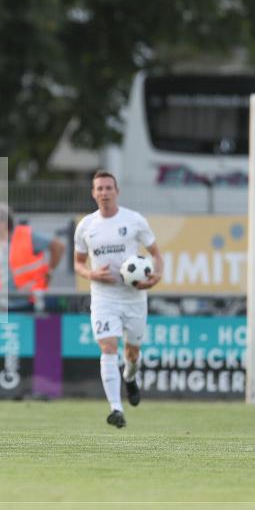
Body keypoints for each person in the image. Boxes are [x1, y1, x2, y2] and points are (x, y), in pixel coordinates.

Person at [73, 170, 163, 429]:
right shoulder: (86, 226)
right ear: (93, 194)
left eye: (108, 188)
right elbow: (78, 263)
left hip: (133, 299)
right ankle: (116, 408)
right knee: (108, 347)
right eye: (99, 189)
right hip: (104, 298)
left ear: (116, 191)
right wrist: (91, 274)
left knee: (132, 354)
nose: (104, 193)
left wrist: (155, 277)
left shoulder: (134, 221)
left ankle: (130, 378)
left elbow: (156, 254)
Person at [0, 203, 64, 311]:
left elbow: (58, 246)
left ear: (3, 224)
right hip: (4, 303)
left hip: (29, 303)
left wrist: (49, 272)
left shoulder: (25, 236)